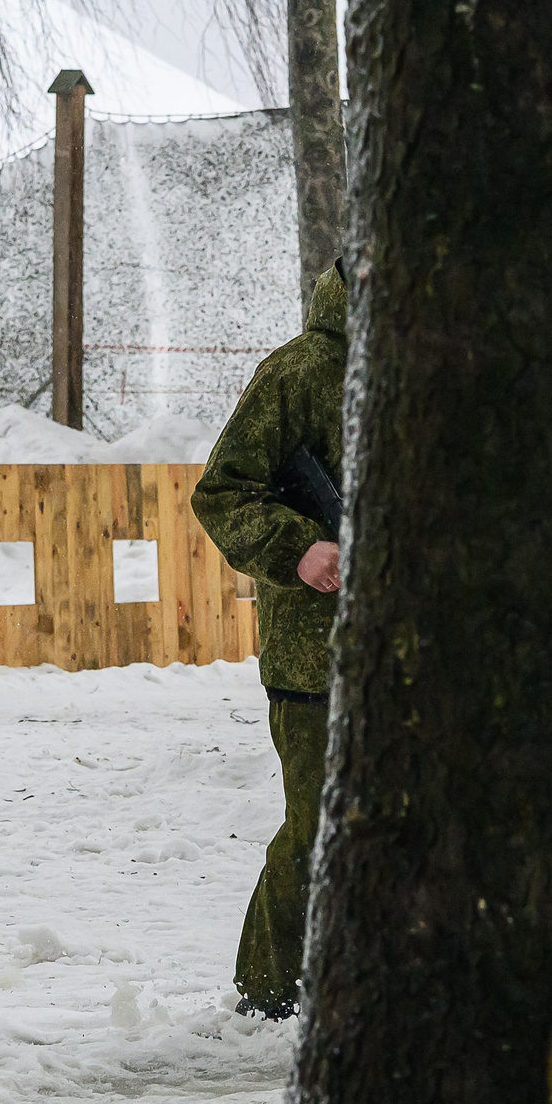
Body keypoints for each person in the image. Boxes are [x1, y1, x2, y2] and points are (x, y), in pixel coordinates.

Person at [192, 261, 347, 1017]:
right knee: (319, 833)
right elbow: (220, 491)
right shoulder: (299, 371)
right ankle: (265, 1002)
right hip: (313, 660)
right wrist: (300, 549)